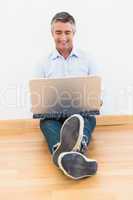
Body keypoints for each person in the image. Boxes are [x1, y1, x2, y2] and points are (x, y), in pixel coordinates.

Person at [36, 12, 100, 180]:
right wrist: (40, 105)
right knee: (46, 123)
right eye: (58, 32)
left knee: (87, 119)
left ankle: (62, 154)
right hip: (53, 115)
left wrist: (96, 101)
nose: (63, 37)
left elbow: (98, 95)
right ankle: (74, 154)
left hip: (80, 113)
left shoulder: (87, 58)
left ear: (74, 33)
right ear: (52, 34)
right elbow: (37, 96)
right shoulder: (43, 62)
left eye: (67, 32)